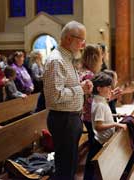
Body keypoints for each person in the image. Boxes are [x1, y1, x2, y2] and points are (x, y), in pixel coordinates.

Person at [43, 21, 93, 180]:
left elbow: (67, 87)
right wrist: (80, 89)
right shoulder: (56, 61)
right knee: (65, 166)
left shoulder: (67, 59)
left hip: (71, 118)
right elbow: (54, 97)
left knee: (70, 164)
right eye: (81, 40)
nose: (83, 45)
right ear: (69, 38)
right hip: (63, 119)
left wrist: (81, 85)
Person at [84, 72, 127, 180]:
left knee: (94, 169)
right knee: (95, 170)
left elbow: (104, 116)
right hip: (100, 142)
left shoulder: (100, 100)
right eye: (108, 87)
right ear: (99, 88)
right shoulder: (99, 105)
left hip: (102, 140)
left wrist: (116, 115)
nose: (111, 90)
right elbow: (98, 126)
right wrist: (115, 123)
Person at [79, 44, 102, 149]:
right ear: (95, 58)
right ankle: (91, 165)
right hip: (89, 114)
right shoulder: (89, 75)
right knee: (95, 143)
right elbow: (90, 99)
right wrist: (105, 98)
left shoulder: (83, 71)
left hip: (84, 113)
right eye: (100, 57)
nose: (101, 61)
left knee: (93, 141)